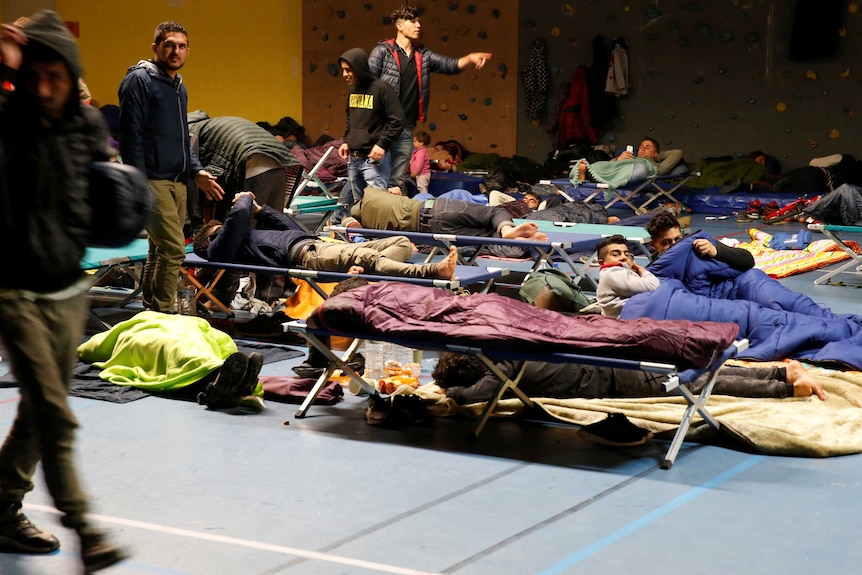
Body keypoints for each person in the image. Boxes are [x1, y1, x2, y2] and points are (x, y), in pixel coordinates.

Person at [0, 10, 127, 570]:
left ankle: (2, 504)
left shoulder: (86, 127)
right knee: (56, 414)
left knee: (39, 407)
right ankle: (84, 530)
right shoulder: (8, 122)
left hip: (68, 286)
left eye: (56, 76)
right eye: (35, 76)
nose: (45, 88)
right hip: (12, 291)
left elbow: (105, 193)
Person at [118, 21, 225, 313]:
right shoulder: (140, 81)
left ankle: (152, 311)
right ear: (156, 48)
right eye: (169, 45)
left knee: (159, 250)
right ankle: (165, 314)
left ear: (188, 50)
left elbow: (180, 138)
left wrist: (196, 170)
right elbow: (130, 136)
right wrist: (137, 183)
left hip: (178, 181)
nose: (175, 51)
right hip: (152, 180)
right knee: (174, 250)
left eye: (181, 46)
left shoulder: (179, 86)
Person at [193, 192, 458, 280]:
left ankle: (366, 273)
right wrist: (245, 199)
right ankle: (433, 272)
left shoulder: (242, 237)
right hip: (306, 256)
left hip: (313, 244)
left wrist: (262, 211)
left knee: (400, 242)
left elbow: (293, 230)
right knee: (367, 255)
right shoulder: (219, 248)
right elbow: (237, 216)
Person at [369, 4, 492, 192]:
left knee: (396, 183)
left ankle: (386, 219)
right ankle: (348, 215)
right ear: (399, 26)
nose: (418, 25)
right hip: (383, 126)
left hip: (406, 127)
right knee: (377, 178)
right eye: (413, 21)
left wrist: (469, 58)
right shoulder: (383, 52)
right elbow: (367, 85)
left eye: (419, 20)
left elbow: (447, 64)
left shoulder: (422, 54)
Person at [432, 353, 826, 405]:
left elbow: (467, 398)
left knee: (701, 385)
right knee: (701, 373)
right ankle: (777, 371)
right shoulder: (507, 355)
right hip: (614, 360)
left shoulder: (499, 375)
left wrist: (446, 390)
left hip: (617, 381)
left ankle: (785, 387)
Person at [337, 47, 404, 216]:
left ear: (359, 67)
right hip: (354, 158)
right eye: (343, 70)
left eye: (348, 70)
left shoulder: (382, 89)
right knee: (359, 206)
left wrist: (382, 144)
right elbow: (350, 118)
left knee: (376, 207)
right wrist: (346, 140)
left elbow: (398, 121)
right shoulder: (352, 89)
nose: (345, 74)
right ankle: (363, 240)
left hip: (374, 161)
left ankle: (379, 240)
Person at [345, 186, 550, 241]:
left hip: (427, 231)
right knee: (491, 213)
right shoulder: (371, 194)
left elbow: (352, 229)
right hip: (436, 207)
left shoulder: (366, 227)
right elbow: (394, 191)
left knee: (486, 238)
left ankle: (509, 237)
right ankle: (507, 229)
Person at [646, 211, 755, 270]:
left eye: (678, 239)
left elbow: (748, 260)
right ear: (653, 245)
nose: (675, 246)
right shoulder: (656, 270)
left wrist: (716, 252)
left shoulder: (697, 246)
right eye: (666, 242)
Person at [572, 137, 684, 189]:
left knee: (641, 168)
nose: (643, 148)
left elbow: (678, 153)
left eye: (648, 147)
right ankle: (588, 173)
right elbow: (610, 165)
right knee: (599, 165)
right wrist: (619, 159)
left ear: (655, 153)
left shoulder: (656, 166)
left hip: (638, 170)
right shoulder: (630, 157)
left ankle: (593, 177)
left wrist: (658, 156)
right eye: (641, 146)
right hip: (619, 169)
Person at [595, 235, 660, 319]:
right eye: (615, 254)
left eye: (627, 254)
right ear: (601, 263)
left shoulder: (617, 274)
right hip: (629, 320)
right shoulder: (612, 273)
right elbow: (654, 286)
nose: (623, 257)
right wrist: (643, 271)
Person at [410, 129, 431, 194]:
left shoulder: (420, 153)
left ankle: (424, 199)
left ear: (421, 142)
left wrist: (415, 172)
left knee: (422, 187)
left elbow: (419, 164)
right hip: (422, 174)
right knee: (421, 187)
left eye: (415, 141)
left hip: (422, 174)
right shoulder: (420, 151)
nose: (413, 143)